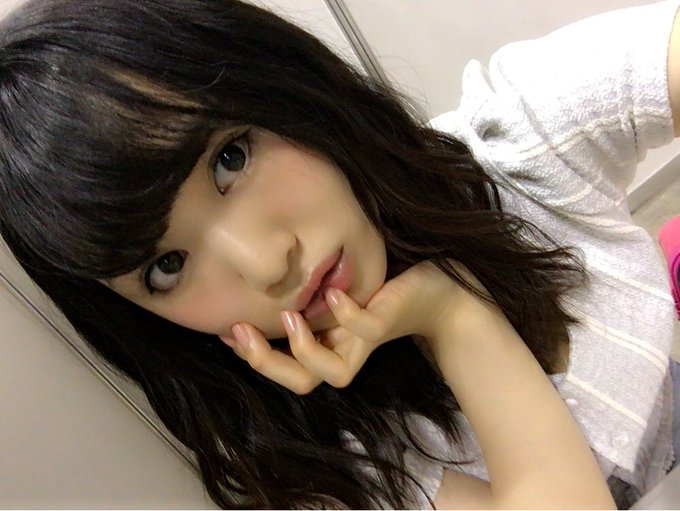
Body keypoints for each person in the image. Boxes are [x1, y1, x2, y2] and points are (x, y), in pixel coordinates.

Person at [0, 0, 677, 507]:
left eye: (230, 159)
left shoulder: (516, 145)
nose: (268, 264)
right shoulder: (327, 461)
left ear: (281, 86)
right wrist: (452, 314)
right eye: (166, 267)